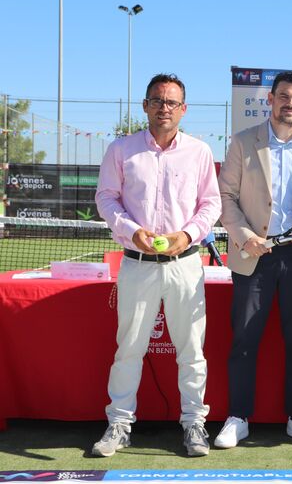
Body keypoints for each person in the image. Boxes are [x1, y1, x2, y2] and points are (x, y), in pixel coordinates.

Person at [93, 73, 222, 457]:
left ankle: (194, 423)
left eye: (171, 102)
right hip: (137, 264)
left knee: (191, 350)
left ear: (183, 109)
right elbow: (106, 198)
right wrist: (132, 231)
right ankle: (118, 424)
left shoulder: (198, 152)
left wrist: (188, 235)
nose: (164, 108)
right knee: (128, 348)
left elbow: (210, 204)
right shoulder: (121, 149)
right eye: (157, 100)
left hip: (185, 263)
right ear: (145, 105)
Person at [215, 71, 292, 448]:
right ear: (270, 99)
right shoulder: (243, 141)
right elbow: (226, 198)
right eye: (284, 96)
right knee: (244, 340)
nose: (291, 104)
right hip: (254, 256)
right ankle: (238, 418)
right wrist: (246, 237)